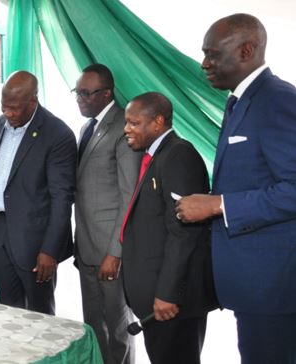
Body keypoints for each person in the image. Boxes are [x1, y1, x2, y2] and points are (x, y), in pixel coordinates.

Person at [176, 13, 296, 363]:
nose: (204, 64)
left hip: (273, 285)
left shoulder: (277, 101)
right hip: (251, 281)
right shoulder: (240, 101)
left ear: (246, 50)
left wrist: (218, 205)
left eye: (212, 54)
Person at [121, 92, 217, 364]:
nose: (126, 129)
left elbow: (183, 233)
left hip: (172, 303)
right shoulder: (156, 155)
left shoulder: (178, 155)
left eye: (133, 123)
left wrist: (167, 293)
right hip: (156, 299)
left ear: (158, 122)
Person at [0, 70, 76, 315]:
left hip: (35, 241)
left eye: (14, 108)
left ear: (33, 102)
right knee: (8, 310)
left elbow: (62, 199)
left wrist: (50, 250)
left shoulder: (58, 134)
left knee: (40, 315)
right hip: (0, 233)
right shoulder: (0, 123)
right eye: (4, 107)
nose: (8, 113)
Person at [73, 64, 139, 364]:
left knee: (118, 327)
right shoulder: (87, 127)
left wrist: (116, 252)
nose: (80, 98)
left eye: (87, 93)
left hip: (110, 250)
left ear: (107, 93)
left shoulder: (124, 126)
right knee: (93, 325)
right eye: (78, 92)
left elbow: (128, 196)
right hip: (87, 246)